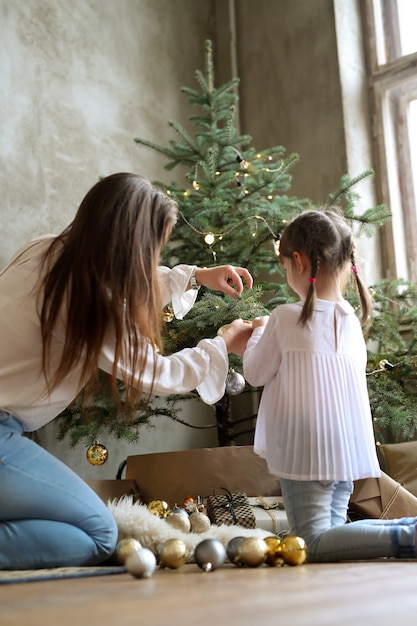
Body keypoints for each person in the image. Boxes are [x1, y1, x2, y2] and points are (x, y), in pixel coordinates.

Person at [0, 172, 253, 570]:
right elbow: (160, 374)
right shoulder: (90, 301)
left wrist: (192, 277)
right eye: (153, 249)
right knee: (101, 534)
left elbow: (125, 278)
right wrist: (223, 344)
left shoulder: (44, 251)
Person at [243, 209, 417, 562]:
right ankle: (409, 528)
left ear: (298, 260)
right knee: (335, 532)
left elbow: (254, 373)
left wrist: (255, 332)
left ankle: (407, 536)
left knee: (314, 542)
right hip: (344, 448)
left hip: (304, 448)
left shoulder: (284, 317)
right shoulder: (351, 319)